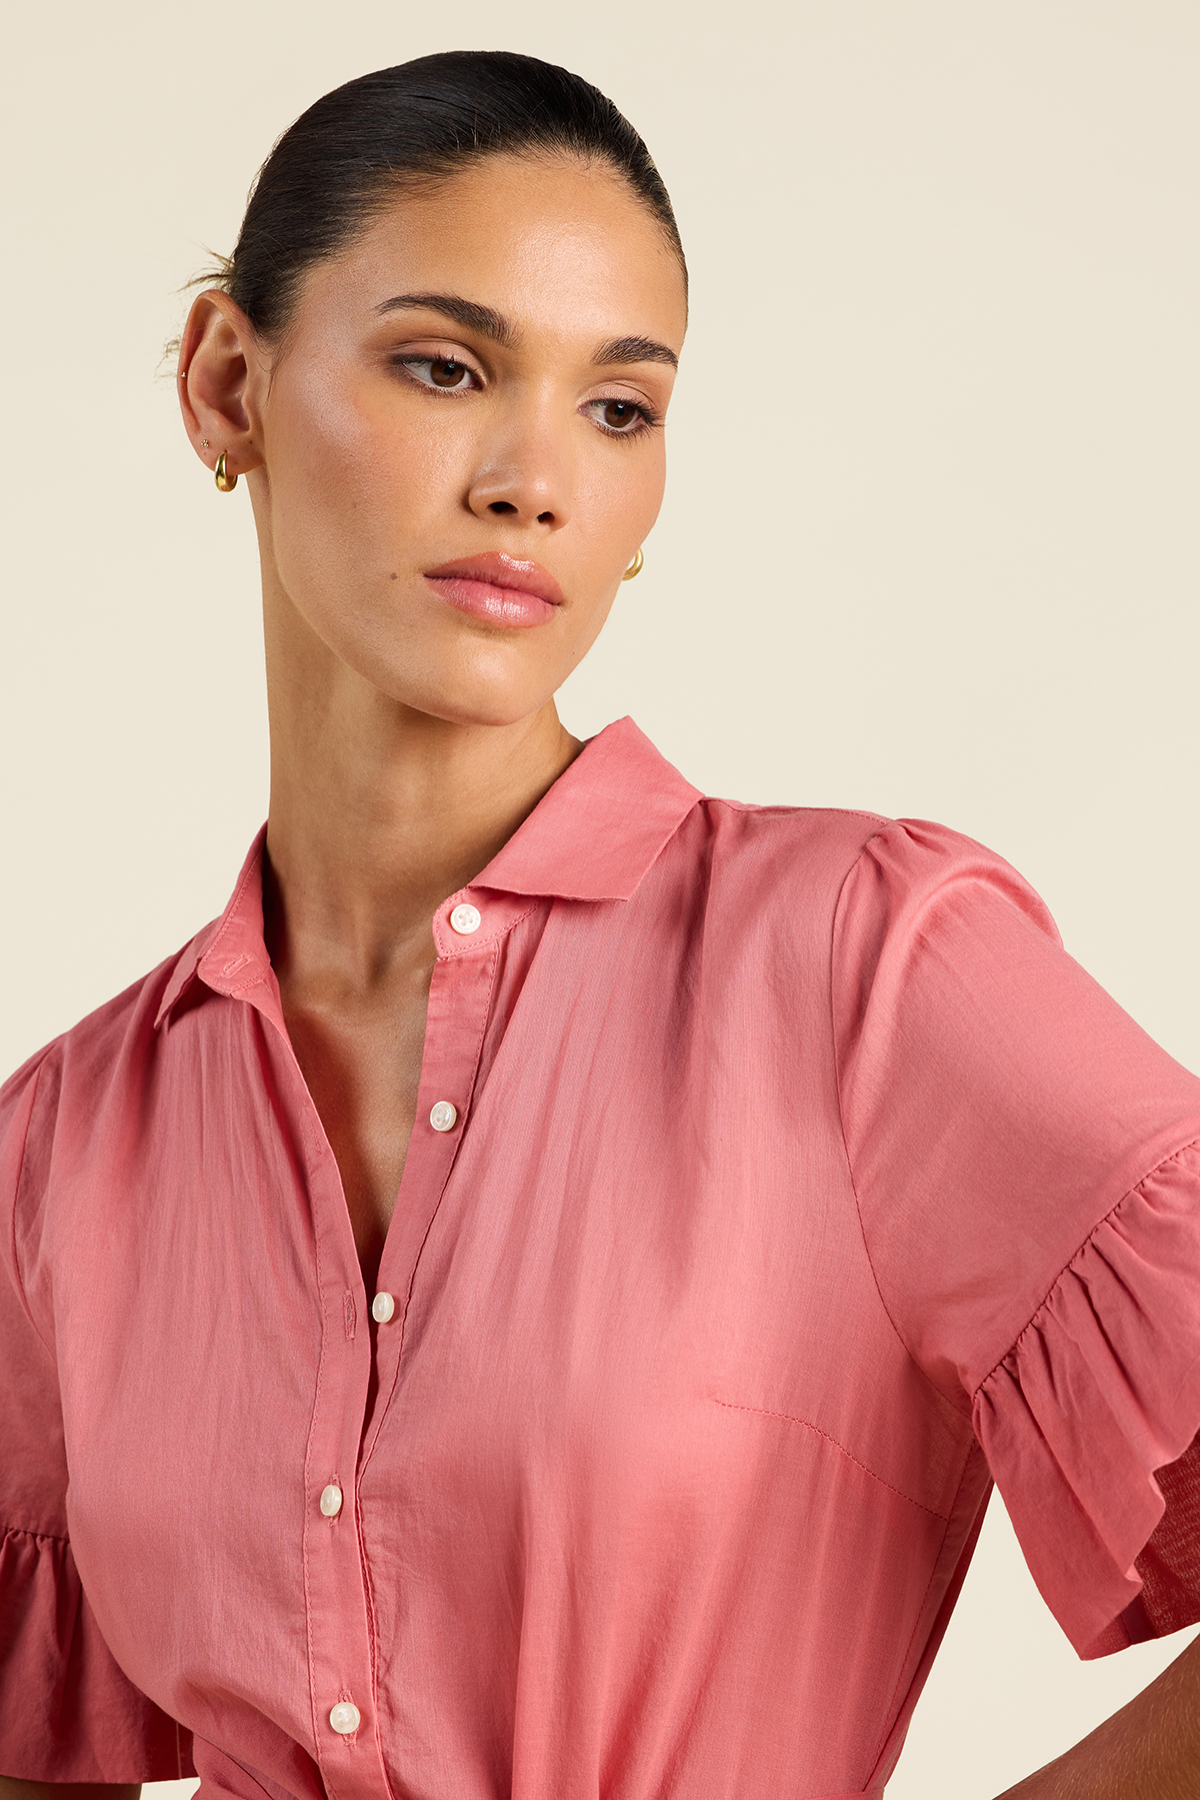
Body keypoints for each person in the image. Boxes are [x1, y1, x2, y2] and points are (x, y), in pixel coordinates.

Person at [1, 48, 1198, 1800]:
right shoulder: (62, 1150)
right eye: (443, 365)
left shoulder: (862, 967)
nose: (534, 479)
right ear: (226, 383)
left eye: (619, 409)